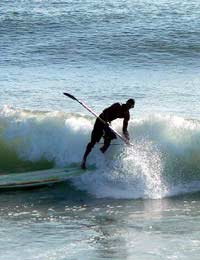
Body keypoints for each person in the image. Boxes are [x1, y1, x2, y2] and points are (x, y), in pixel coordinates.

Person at [81, 98, 135, 169]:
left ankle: (98, 158)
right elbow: (105, 111)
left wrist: (127, 137)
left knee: (109, 139)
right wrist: (106, 121)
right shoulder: (118, 105)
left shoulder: (127, 115)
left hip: (107, 124)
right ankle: (84, 160)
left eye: (130, 106)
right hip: (100, 120)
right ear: (126, 103)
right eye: (128, 105)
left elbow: (124, 129)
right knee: (93, 142)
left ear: (132, 107)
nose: (128, 107)